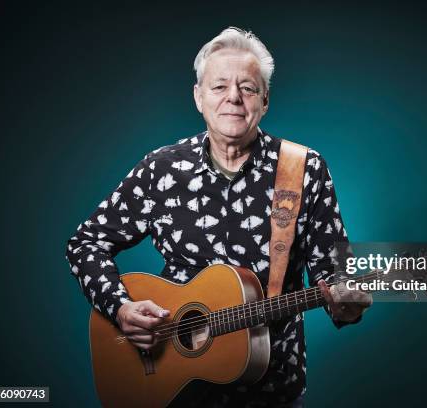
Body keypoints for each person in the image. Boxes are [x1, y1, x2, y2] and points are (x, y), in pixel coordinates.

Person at [65, 26, 372, 407]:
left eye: (247, 88)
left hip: (272, 388)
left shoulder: (304, 168)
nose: (234, 98)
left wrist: (344, 300)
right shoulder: (162, 168)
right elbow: (85, 243)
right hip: (171, 386)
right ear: (198, 97)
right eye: (219, 86)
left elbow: (333, 272)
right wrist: (121, 307)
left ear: (265, 100)